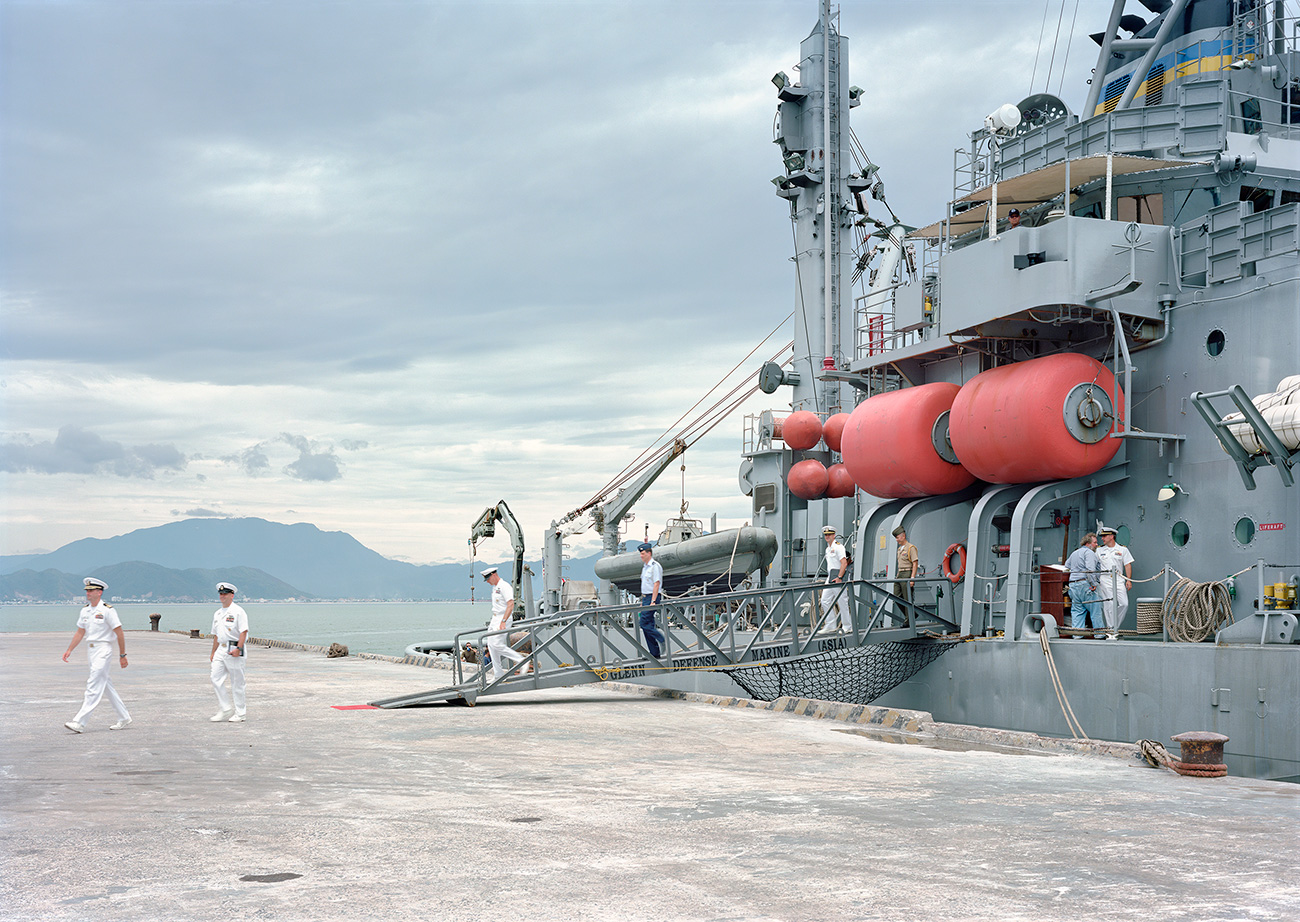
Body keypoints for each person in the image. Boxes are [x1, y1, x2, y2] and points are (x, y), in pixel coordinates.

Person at [62, 577, 132, 732]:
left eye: (91, 590)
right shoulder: (85, 610)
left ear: (99, 592)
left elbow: (119, 633)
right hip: (91, 651)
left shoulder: (107, 610)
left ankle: (79, 722)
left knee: (93, 685)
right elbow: (80, 632)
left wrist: (122, 655)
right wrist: (70, 649)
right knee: (106, 685)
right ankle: (124, 716)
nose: (88, 593)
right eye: (87, 590)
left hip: (104, 650)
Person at [210, 582, 249, 722]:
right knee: (215, 678)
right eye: (220, 594)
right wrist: (213, 652)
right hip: (221, 649)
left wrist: (239, 648)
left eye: (225, 594)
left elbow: (243, 631)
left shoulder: (238, 611)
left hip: (234, 649)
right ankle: (226, 709)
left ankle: (240, 713)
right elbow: (215, 634)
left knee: (237, 682)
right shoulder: (218, 613)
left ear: (232, 595)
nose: (222, 596)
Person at [482, 567, 526, 680]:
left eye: (487, 578)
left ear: (493, 575)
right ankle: (498, 674)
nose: (487, 581)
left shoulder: (504, 586)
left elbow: (510, 604)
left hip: (503, 618)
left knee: (497, 644)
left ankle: (521, 660)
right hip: (495, 618)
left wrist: (504, 621)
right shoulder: (495, 587)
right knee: (491, 645)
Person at [1096, 527, 1135, 640]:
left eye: (1104, 536)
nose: (1102, 538)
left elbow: (1127, 565)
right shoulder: (1099, 550)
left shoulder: (1122, 550)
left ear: (1111, 536)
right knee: (1109, 605)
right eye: (1102, 536)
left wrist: (1129, 580)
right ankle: (1110, 629)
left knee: (1124, 603)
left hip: (1118, 579)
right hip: (1105, 579)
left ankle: (1114, 626)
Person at [1064, 533, 1103, 636]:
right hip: (1085, 585)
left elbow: (1067, 565)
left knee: (1077, 611)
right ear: (1088, 543)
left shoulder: (1074, 553)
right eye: (1095, 542)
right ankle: (1100, 635)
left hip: (1073, 586)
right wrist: (1094, 584)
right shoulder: (1089, 553)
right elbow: (1090, 570)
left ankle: (1077, 635)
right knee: (1095, 610)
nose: (1096, 544)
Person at [637, 542, 666, 658]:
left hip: (652, 597)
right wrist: (642, 601)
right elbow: (645, 584)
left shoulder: (655, 566)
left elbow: (656, 583)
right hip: (646, 597)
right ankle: (654, 653)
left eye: (643, 553)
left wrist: (653, 601)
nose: (641, 556)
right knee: (648, 624)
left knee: (643, 623)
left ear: (649, 553)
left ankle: (661, 638)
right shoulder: (645, 567)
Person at [820, 526, 851, 633]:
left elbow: (844, 563)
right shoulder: (828, 549)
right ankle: (831, 624)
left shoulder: (839, 547)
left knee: (842, 601)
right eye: (826, 535)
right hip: (830, 577)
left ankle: (847, 626)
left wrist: (840, 577)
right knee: (824, 600)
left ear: (834, 535)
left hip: (838, 577)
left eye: (829, 534)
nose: (827, 536)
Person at [892, 526, 919, 604]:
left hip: (907, 573)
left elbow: (915, 563)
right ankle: (913, 614)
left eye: (897, 538)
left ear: (903, 536)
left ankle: (909, 616)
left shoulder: (911, 548)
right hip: (900, 574)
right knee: (896, 597)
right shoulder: (899, 549)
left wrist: (912, 578)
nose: (897, 540)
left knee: (907, 599)